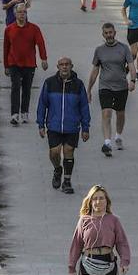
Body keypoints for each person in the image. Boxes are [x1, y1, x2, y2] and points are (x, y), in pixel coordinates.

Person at [38, 58, 92, 194]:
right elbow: (42, 104)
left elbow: (84, 106)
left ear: (71, 67)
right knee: (54, 152)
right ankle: (57, 169)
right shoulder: (49, 83)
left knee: (69, 151)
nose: (64, 67)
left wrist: (85, 128)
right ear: (58, 67)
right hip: (54, 125)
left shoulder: (78, 85)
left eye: (67, 64)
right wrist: (41, 124)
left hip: (72, 126)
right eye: (62, 65)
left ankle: (67, 181)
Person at [87, 22, 135, 156]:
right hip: (105, 86)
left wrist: (132, 80)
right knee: (106, 113)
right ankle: (107, 142)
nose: (109, 35)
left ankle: (118, 136)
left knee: (120, 114)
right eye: (106, 33)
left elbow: (131, 66)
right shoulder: (99, 50)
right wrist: (89, 89)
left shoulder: (124, 48)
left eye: (111, 32)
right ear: (103, 34)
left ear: (114, 33)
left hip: (121, 87)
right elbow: (95, 71)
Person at [3, 5, 49, 124]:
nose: (22, 14)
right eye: (19, 12)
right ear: (15, 14)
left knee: (27, 89)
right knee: (15, 87)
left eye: (24, 12)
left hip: (29, 63)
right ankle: (14, 114)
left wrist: (43, 59)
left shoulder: (34, 29)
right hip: (14, 63)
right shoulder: (9, 29)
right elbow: (6, 48)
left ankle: (24, 112)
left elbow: (41, 43)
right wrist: (6, 66)